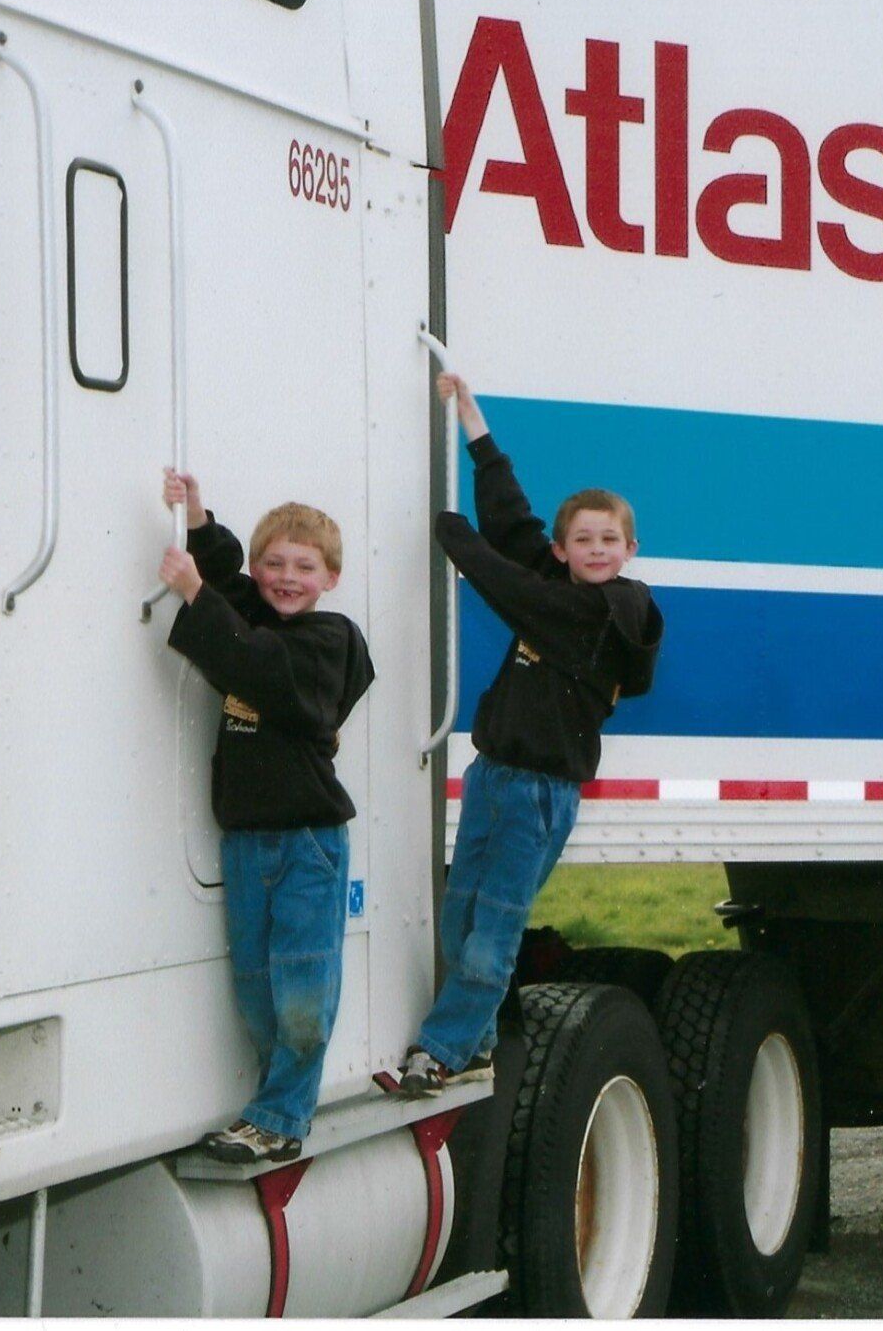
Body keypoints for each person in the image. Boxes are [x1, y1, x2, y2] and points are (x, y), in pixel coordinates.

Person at [398, 374, 664, 1096]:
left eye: (610, 538)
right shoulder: (560, 581)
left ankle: (442, 1052)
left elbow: (514, 586)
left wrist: (456, 539)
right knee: (459, 927)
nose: (597, 547)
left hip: (541, 795)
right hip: (493, 776)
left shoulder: (617, 609)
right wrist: (476, 429)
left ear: (630, 547)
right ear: (564, 547)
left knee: (493, 937)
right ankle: (478, 1044)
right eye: (582, 538)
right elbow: (513, 526)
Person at [158, 469, 376, 1163]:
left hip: (308, 843)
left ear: (331, 577)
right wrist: (197, 519)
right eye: (273, 564)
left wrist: (194, 594)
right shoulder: (259, 609)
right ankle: (270, 1105)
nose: (286, 577)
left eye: (304, 566)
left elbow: (260, 664)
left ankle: (282, 1116)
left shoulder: (327, 641)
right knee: (257, 991)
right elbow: (234, 587)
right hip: (247, 845)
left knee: (304, 990)